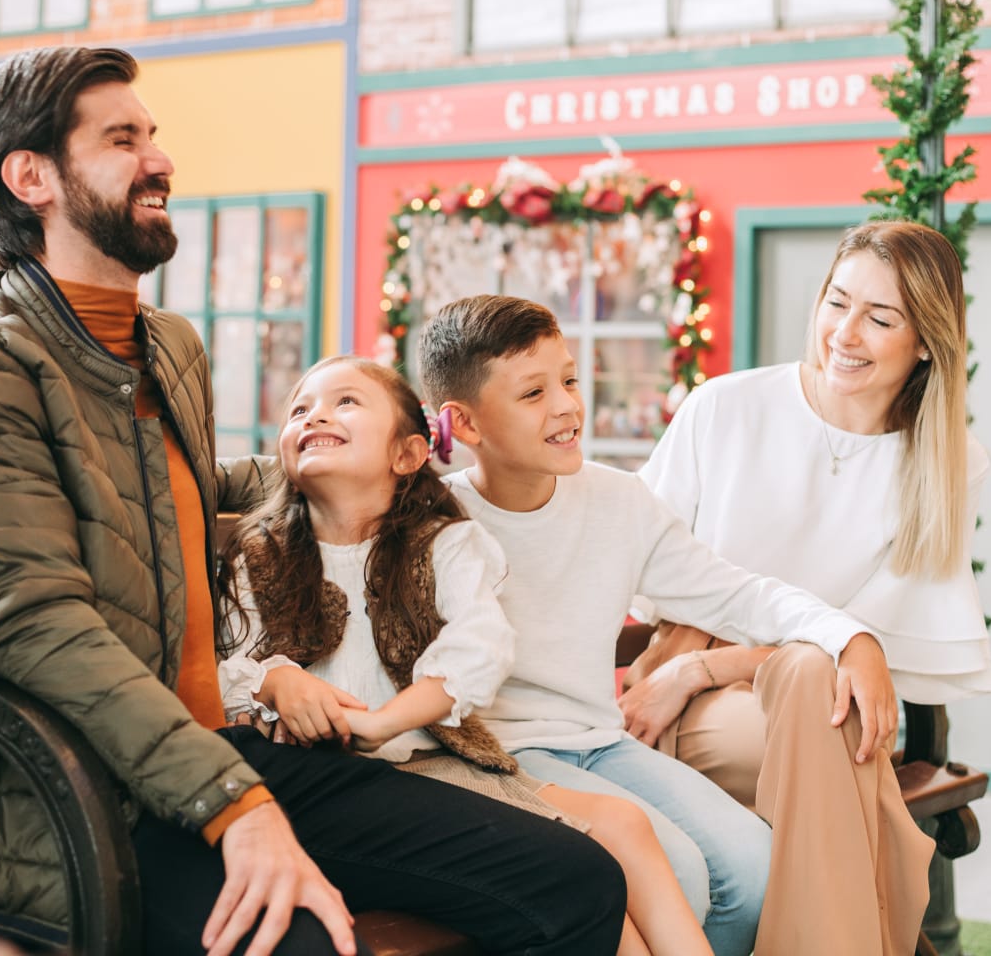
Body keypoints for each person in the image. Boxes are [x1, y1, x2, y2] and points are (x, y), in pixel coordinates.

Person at [0, 45, 628, 956]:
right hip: (47, 795)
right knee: (307, 945)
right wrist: (233, 802)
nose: (160, 160)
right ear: (30, 175)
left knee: (575, 879)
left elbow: (186, 486)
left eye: (152, 136)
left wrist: (386, 462)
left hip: (211, 755)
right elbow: (37, 628)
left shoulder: (164, 347)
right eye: (123, 140)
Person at [416, 294, 900, 956]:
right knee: (684, 875)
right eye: (533, 393)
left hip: (600, 740)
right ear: (463, 424)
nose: (566, 406)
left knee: (756, 870)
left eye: (569, 380)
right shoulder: (435, 521)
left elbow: (734, 593)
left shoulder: (619, 501)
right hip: (500, 758)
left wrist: (849, 636)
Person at [217, 355, 713, 956]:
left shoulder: (440, 544)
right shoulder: (260, 554)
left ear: (407, 455)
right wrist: (277, 681)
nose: (316, 413)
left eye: (344, 401)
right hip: (329, 784)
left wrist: (383, 721)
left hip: (433, 758)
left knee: (623, 832)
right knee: (600, 897)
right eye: (300, 409)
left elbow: (479, 648)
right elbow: (229, 663)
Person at [623, 220, 991, 956]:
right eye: (837, 301)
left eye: (880, 318)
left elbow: (870, 653)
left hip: (812, 703)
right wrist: (692, 667)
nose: (845, 333)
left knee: (815, 675)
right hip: (694, 708)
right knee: (826, 699)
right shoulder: (726, 408)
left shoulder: (949, 462)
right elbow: (634, 569)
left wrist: (716, 660)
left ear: (926, 340)